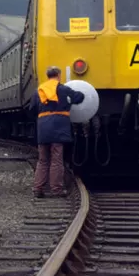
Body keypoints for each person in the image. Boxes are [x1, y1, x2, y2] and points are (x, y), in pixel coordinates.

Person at [30, 66, 84, 198]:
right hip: (59, 127)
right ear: (59, 75)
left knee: (42, 160)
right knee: (56, 159)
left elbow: (31, 109)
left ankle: (38, 188)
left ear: (47, 75)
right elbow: (79, 97)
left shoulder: (39, 90)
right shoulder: (63, 89)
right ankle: (56, 189)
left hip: (43, 127)